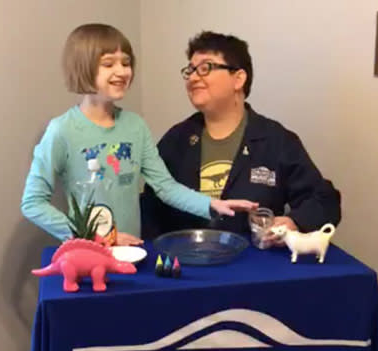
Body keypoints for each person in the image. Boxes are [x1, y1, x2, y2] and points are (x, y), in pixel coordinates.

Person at [21, 24, 256, 245]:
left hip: (132, 253)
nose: (122, 71)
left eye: (126, 63)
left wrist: (213, 204)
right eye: (109, 64)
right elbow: (33, 203)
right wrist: (95, 237)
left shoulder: (135, 127)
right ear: (84, 66)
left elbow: (166, 187)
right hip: (88, 256)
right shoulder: (62, 131)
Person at [141, 31, 341, 241]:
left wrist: (295, 222)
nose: (192, 77)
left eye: (205, 68)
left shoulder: (276, 140)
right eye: (190, 70)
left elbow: (324, 200)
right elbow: (150, 207)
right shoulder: (176, 139)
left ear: (238, 79)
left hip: (256, 266)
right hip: (189, 265)